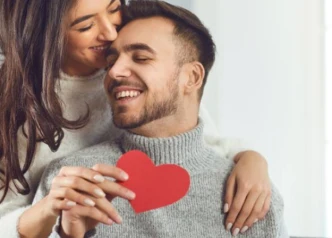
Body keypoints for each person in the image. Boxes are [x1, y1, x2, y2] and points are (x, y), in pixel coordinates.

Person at [0, 0, 271, 237]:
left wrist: (250, 158)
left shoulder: (145, 78)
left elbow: (197, 139)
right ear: (44, 34)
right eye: (85, 26)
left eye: (114, 8)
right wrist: (49, 210)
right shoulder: (12, 98)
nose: (109, 33)